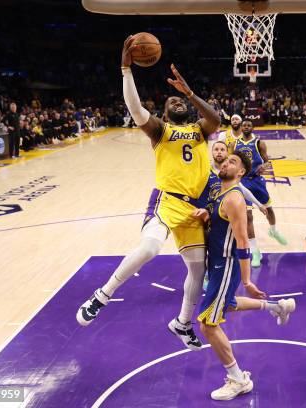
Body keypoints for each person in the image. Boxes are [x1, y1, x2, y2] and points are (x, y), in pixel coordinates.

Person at [77, 35, 221, 352]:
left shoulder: (200, 129)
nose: (177, 101)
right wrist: (126, 70)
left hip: (195, 209)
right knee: (151, 247)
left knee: (198, 270)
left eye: (180, 100)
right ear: (165, 113)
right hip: (167, 201)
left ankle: (182, 323)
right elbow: (135, 107)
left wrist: (191, 93)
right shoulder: (160, 129)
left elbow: (216, 119)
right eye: (172, 101)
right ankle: (102, 295)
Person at [192, 151, 296, 401]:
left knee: (208, 324)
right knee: (227, 304)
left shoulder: (235, 198)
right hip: (217, 263)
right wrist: (208, 216)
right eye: (226, 160)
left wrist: (247, 281)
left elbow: (242, 242)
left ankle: (238, 379)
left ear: (241, 173)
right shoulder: (221, 193)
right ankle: (277, 307)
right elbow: (223, 225)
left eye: (233, 162)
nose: (226, 162)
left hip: (226, 265)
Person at [230, 120, 288, 267]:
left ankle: (273, 231)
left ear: (252, 128)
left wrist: (264, 165)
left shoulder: (259, 143)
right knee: (248, 217)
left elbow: (268, 161)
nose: (246, 127)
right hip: (243, 182)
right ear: (241, 128)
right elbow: (231, 161)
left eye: (249, 125)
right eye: (244, 125)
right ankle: (256, 252)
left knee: (268, 209)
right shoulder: (234, 144)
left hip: (257, 181)